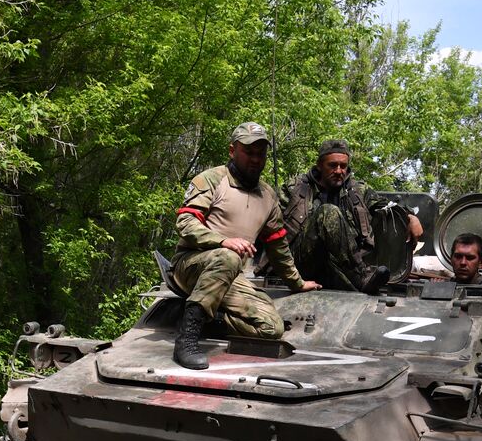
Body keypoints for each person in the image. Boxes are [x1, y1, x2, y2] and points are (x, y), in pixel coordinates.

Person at [171, 122, 321, 370]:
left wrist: (297, 282)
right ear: (232, 151)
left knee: (271, 328)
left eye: (260, 153)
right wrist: (222, 241)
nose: (255, 159)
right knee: (228, 257)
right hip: (191, 265)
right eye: (248, 152)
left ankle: (211, 316)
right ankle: (187, 340)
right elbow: (185, 222)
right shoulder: (211, 179)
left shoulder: (268, 195)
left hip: (230, 275)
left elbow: (277, 245)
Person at [279, 139, 423, 294]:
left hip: (340, 268)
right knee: (328, 212)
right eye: (332, 165)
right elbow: (271, 218)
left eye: (343, 166)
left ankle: (356, 276)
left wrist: (410, 216)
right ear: (320, 165)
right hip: (302, 263)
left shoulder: (358, 191)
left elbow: (386, 206)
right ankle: (361, 276)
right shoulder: (296, 189)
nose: (339, 171)